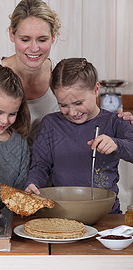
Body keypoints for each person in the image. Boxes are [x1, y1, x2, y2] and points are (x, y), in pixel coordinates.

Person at [0, 0, 133, 175]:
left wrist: (120, 123)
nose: (34, 48)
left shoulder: (61, 77)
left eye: (42, 39)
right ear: (11, 34)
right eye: (25, 39)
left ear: (53, 37)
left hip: (48, 183)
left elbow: (86, 115)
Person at [24, 58, 133, 213]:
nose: (73, 112)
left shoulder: (116, 122)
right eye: (63, 105)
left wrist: (117, 144)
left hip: (106, 215)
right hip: (61, 213)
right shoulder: (50, 124)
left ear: (96, 90)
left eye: (78, 103)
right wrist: (32, 184)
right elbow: (40, 166)